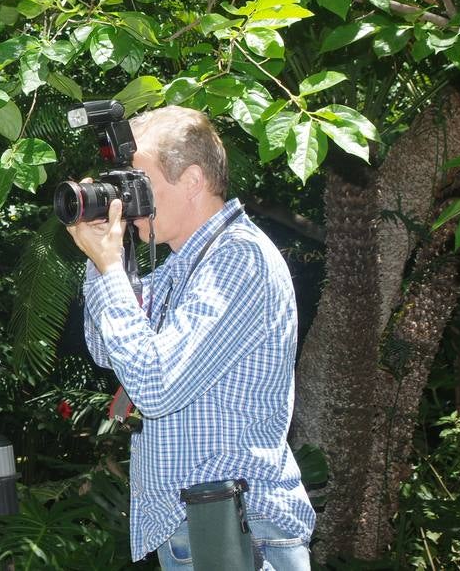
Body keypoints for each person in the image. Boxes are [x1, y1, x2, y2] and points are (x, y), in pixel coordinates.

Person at [65, 106, 315, 570]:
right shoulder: (186, 268)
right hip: (204, 529)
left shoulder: (238, 259)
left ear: (193, 180)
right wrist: (103, 259)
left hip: (232, 531)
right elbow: (107, 350)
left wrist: (110, 269)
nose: (127, 200)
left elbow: (155, 386)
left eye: (138, 183)